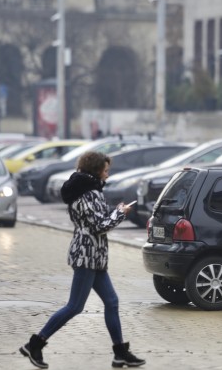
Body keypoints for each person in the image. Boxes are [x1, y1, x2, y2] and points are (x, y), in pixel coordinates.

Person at [19, 151, 146, 369]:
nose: (107, 175)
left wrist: (114, 211)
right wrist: (121, 214)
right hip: (86, 256)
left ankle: (120, 354)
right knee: (75, 306)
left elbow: (98, 220)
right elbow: (98, 226)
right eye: (105, 170)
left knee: (112, 302)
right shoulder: (86, 193)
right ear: (96, 170)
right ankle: (35, 344)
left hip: (95, 257)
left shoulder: (91, 190)